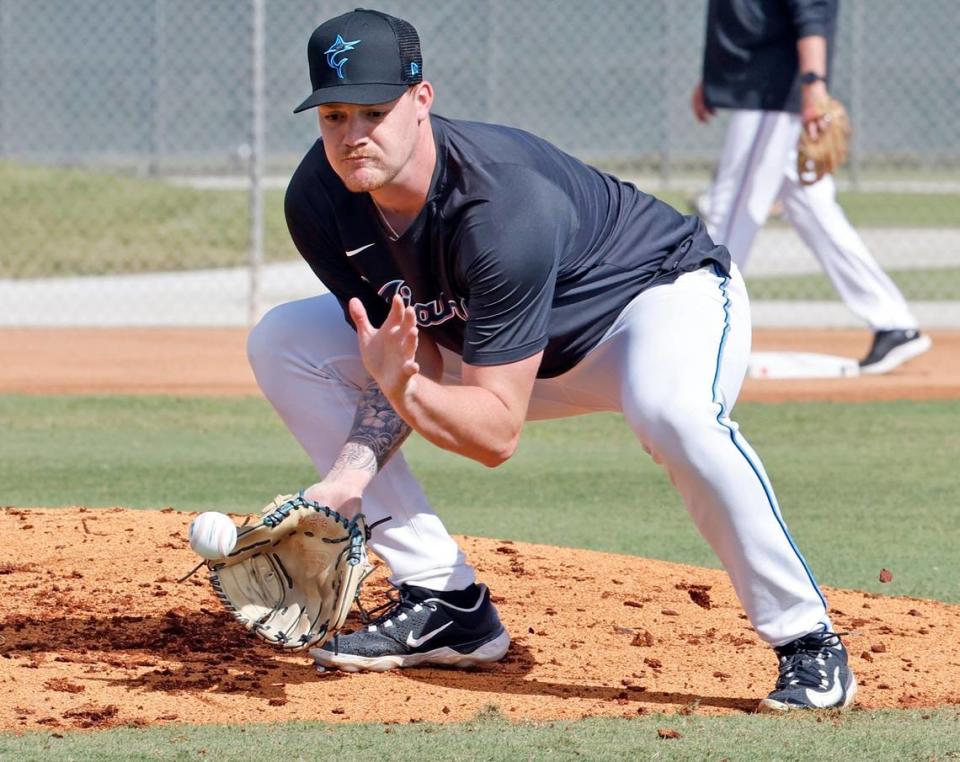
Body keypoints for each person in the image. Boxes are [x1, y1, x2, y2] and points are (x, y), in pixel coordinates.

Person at [247, 8, 856, 711]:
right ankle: (445, 602)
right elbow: (406, 346)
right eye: (334, 116)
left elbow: (495, 433)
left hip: (648, 309)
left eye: (374, 111)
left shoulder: (501, 205)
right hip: (495, 343)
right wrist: (346, 479)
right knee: (284, 340)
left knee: (675, 414)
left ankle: (808, 641)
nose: (353, 136)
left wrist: (406, 385)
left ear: (422, 100)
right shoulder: (320, 202)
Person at [692, 0, 931, 375]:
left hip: (772, 92)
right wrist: (716, 79)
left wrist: (813, 84)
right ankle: (893, 322)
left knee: (732, 208)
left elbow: (811, 12)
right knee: (813, 208)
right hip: (761, 86)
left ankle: (703, 324)